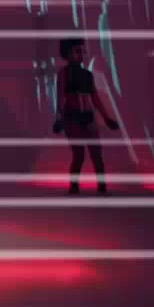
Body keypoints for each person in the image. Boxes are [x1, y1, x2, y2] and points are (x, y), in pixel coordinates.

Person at [52, 38, 119, 195]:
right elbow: (60, 98)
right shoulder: (63, 74)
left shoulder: (87, 75)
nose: (81, 54)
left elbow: (95, 98)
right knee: (79, 154)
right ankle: (74, 185)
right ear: (68, 54)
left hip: (87, 117)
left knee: (96, 153)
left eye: (82, 51)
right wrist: (59, 118)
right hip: (72, 118)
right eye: (77, 51)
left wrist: (107, 118)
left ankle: (101, 186)